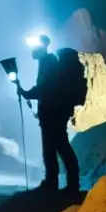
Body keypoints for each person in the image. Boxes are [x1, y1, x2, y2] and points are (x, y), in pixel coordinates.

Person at [18, 34, 80, 193]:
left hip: (53, 112)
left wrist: (27, 93)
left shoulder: (48, 62)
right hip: (55, 111)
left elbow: (46, 88)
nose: (32, 50)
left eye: (34, 47)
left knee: (56, 147)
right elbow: (46, 87)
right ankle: (63, 182)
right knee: (56, 147)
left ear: (42, 47)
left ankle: (58, 183)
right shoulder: (48, 62)